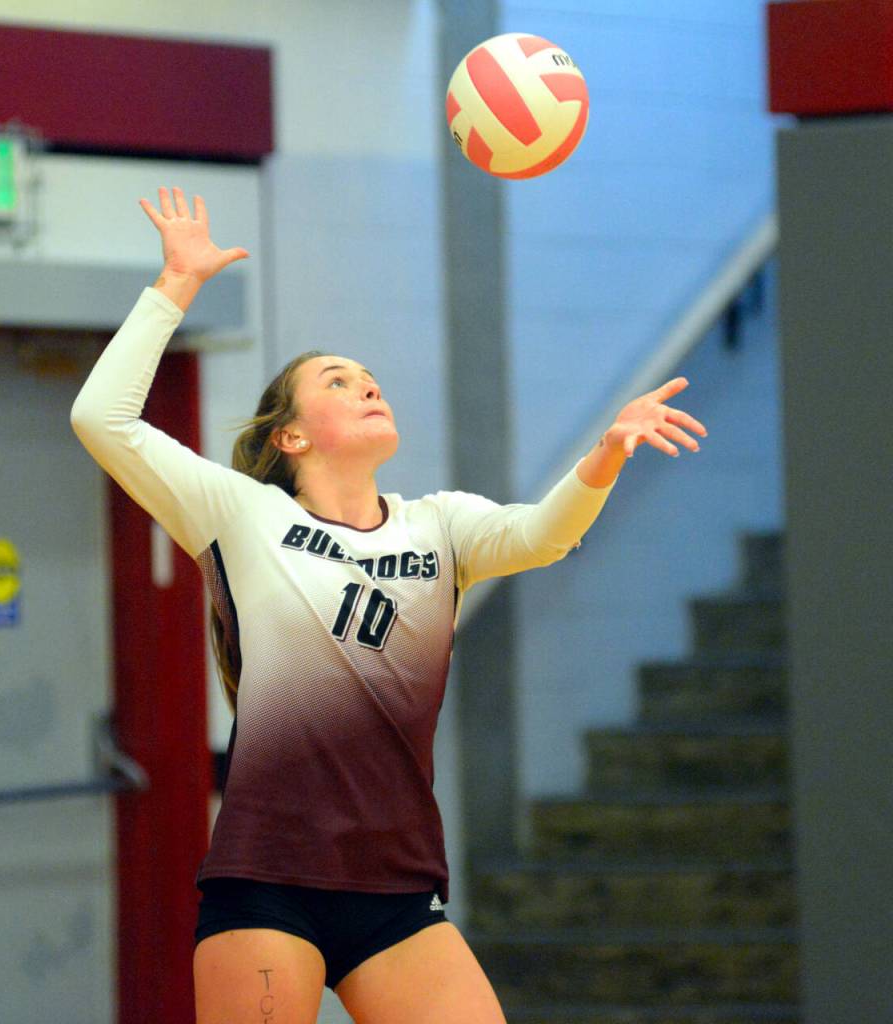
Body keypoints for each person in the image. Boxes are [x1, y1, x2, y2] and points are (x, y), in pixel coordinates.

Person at [70, 186, 708, 1024]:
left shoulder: (441, 526)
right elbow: (101, 417)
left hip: (394, 885)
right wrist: (177, 287)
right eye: (340, 382)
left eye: (372, 379)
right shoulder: (244, 514)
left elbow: (544, 534)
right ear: (290, 436)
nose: (369, 387)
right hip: (268, 879)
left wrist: (606, 451)